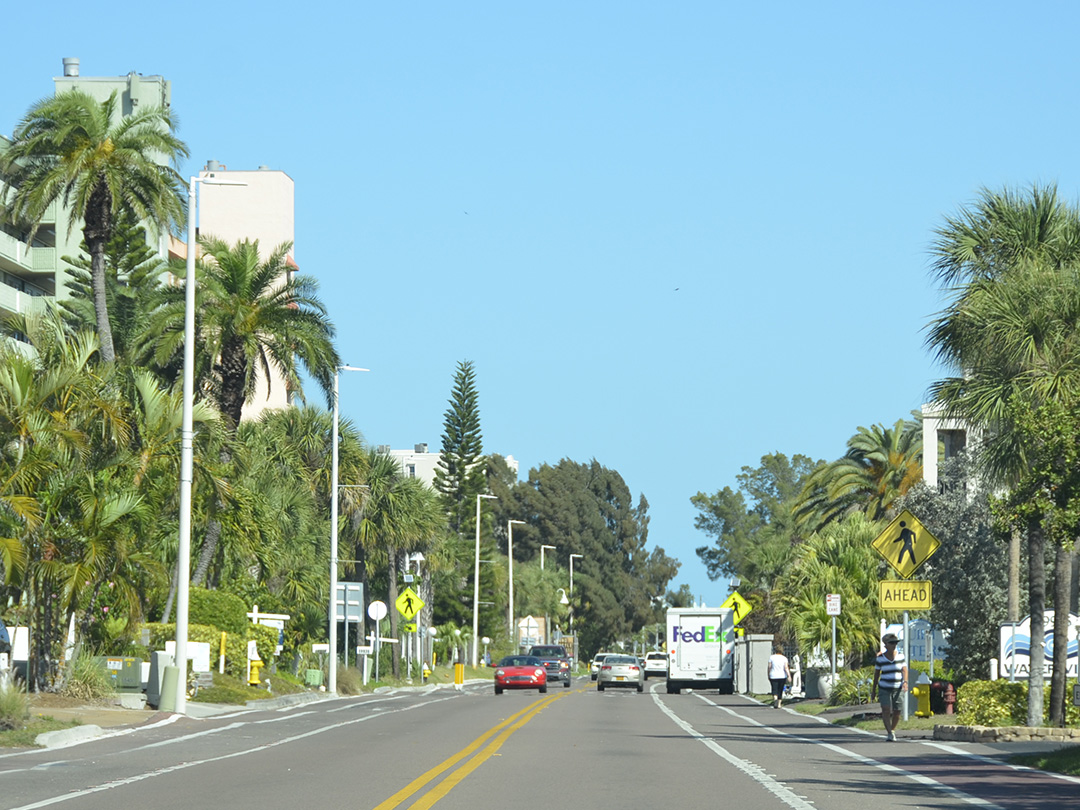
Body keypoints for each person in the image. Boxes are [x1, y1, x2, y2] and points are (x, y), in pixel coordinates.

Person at [871, 632, 908, 741]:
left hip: (898, 687)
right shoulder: (880, 658)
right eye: (891, 643)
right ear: (886, 644)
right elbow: (877, 674)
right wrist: (873, 690)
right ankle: (889, 733)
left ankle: (892, 729)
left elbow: (904, 670)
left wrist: (905, 682)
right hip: (884, 687)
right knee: (886, 709)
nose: (894, 645)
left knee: (897, 711)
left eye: (895, 643)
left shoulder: (900, 656)